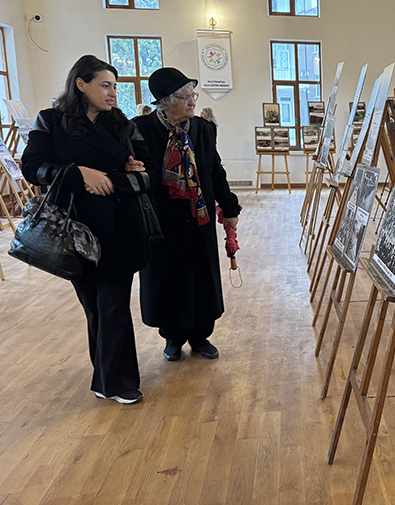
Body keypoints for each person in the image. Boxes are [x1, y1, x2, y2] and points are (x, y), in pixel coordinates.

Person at [21, 55, 160, 404]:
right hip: (74, 231)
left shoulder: (123, 125)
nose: (113, 93)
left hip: (120, 227)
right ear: (81, 84)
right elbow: (33, 167)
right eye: (105, 85)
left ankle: (119, 382)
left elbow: (150, 175)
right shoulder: (50, 121)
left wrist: (115, 178)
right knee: (94, 306)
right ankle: (105, 378)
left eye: (114, 86)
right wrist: (78, 173)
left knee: (112, 302)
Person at [133, 67, 241, 361]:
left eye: (193, 95)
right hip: (160, 219)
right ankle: (172, 337)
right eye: (184, 97)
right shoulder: (141, 130)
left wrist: (229, 207)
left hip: (199, 217)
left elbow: (215, 171)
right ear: (164, 102)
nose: (192, 102)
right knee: (165, 277)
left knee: (201, 275)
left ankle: (200, 335)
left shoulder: (202, 129)